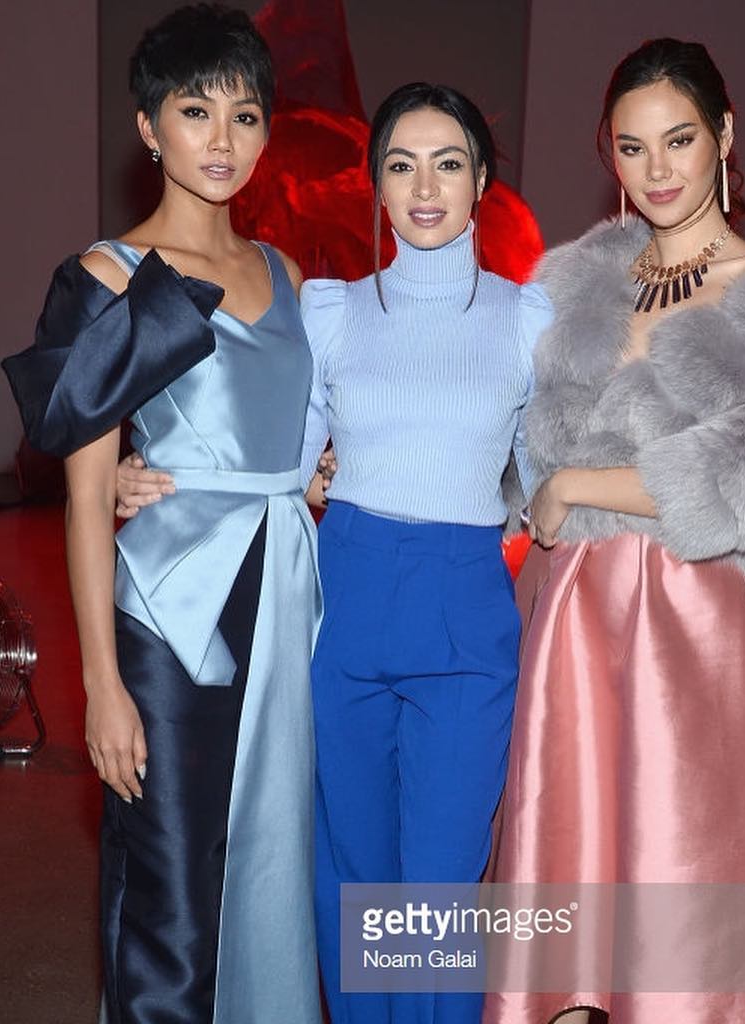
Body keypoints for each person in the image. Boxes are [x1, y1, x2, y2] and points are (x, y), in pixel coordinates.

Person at [116, 82, 552, 1024]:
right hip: (344, 601)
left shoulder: (530, 319)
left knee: (439, 887)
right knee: (353, 877)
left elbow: (552, 474)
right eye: (401, 165)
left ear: (482, 180)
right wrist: (145, 474)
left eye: (448, 164)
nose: (424, 188)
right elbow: (267, 450)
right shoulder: (332, 311)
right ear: (376, 185)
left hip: (466, 610)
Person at [481, 38, 745, 1024]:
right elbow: (501, 436)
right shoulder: (572, 287)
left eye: (678, 139)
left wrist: (579, 483)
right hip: (564, 616)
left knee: (681, 923)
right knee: (561, 918)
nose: (656, 169)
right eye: (631, 145)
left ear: (724, 134)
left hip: (691, 625)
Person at [1, 6, 322, 1022]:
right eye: (195, 111)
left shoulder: (288, 275)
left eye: (245, 115)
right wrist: (101, 687)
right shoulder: (109, 278)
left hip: (289, 608)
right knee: (172, 900)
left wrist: (314, 474)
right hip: (170, 621)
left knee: (273, 873)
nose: (222, 139)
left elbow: (302, 440)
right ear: (148, 127)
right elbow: (85, 495)